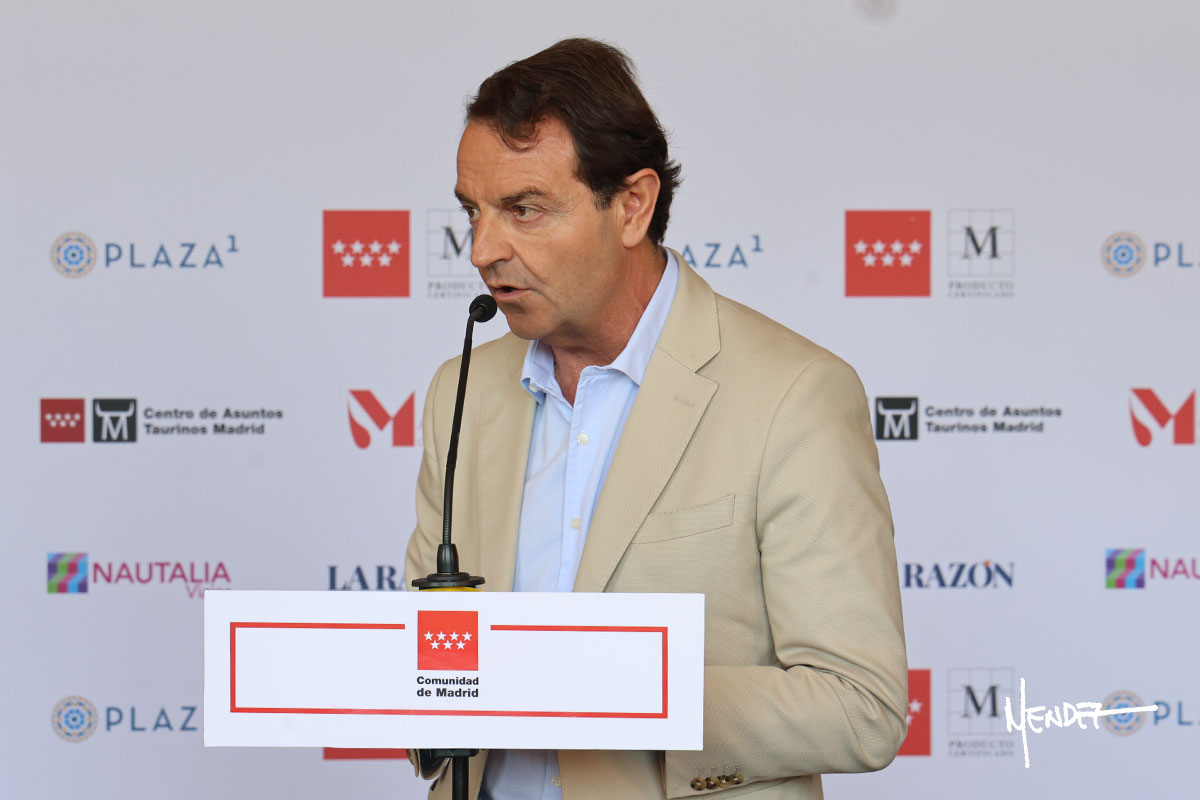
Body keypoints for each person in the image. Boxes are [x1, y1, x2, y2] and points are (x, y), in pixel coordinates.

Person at [405, 37, 907, 800]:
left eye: (523, 210)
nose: (482, 249)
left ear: (632, 206)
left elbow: (861, 706)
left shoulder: (795, 393)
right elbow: (428, 671)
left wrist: (619, 686)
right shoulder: (460, 390)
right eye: (472, 212)